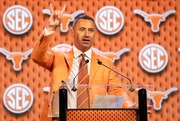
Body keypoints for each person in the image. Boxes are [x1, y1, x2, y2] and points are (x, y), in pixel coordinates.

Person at [32, 3, 151, 121]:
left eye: (91, 30)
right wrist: (51, 28)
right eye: (82, 29)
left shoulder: (105, 63)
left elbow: (116, 91)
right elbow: (37, 56)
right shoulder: (58, 56)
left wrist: (130, 106)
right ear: (72, 33)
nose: (87, 35)